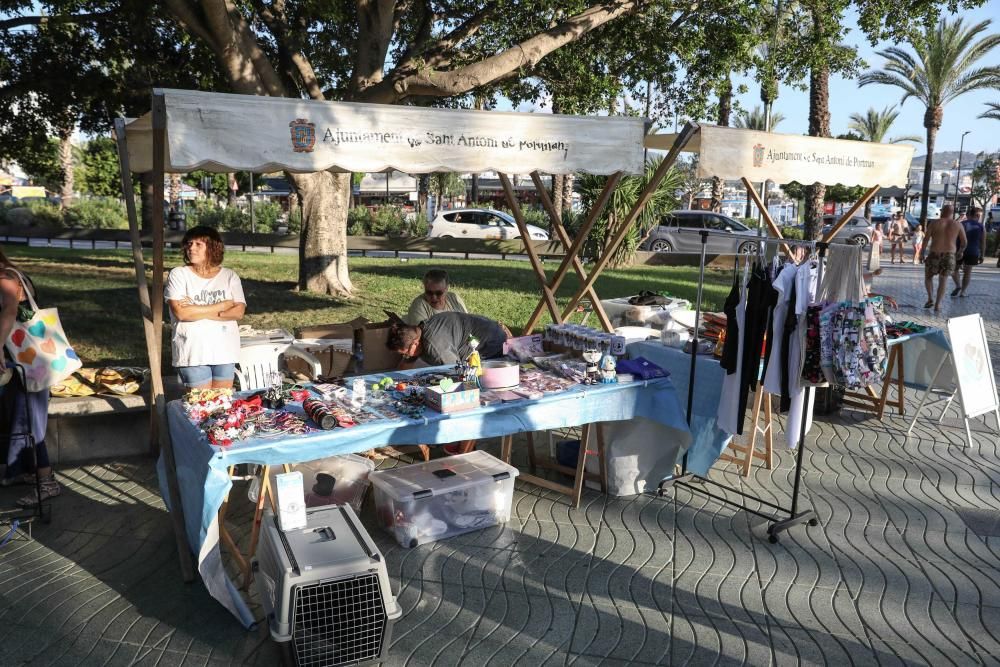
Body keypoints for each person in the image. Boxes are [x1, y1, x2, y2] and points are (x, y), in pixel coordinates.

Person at [0, 250, 59, 507]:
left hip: (26, 362)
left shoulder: (5, 277)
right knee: (19, 416)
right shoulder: (10, 273)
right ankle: (24, 471)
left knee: (28, 422)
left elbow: (9, 313)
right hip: (26, 360)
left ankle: (46, 481)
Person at [165, 226, 246, 389]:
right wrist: (223, 306)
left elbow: (238, 312)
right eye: (189, 244)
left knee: (222, 406)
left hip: (225, 351)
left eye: (198, 244)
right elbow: (181, 313)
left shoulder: (229, 276)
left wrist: (195, 308)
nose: (191, 248)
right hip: (193, 352)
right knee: (200, 408)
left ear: (212, 247)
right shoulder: (179, 274)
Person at [387, 311, 507, 367]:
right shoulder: (421, 328)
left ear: (415, 343)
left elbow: (456, 371)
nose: (406, 357)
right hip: (488, 329)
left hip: (492, 344)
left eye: (406, 354)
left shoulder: (436, 348)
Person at [923, 205, 967, 313]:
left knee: (928, 277)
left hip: (934, 253)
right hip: (949, 255)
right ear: (952, 213)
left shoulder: (934, 223)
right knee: (943, 280)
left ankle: (930, 298)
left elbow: (926, 239)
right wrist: (960, 252)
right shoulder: (958, 224)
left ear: (942, 211)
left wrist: (921, 253)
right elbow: (964, 242)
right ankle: (937, 305)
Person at [405, 269, 469, 325]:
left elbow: (468, 322)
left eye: (439, 293)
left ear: (447, 289)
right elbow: (424, 335)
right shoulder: (419, 304)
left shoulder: (454, 298)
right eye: (429, 293)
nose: (434, 297)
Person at [951, 207, 984, 298]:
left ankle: (958, 285)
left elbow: (954, 238)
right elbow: (983, 242)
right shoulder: (981, 226)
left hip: (959, 250)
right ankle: (963, 292)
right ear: (976, 215)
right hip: (973, 251)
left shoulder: (961, 224)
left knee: (954, 270)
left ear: (968, 215)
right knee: (968, 272)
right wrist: (982, 254)